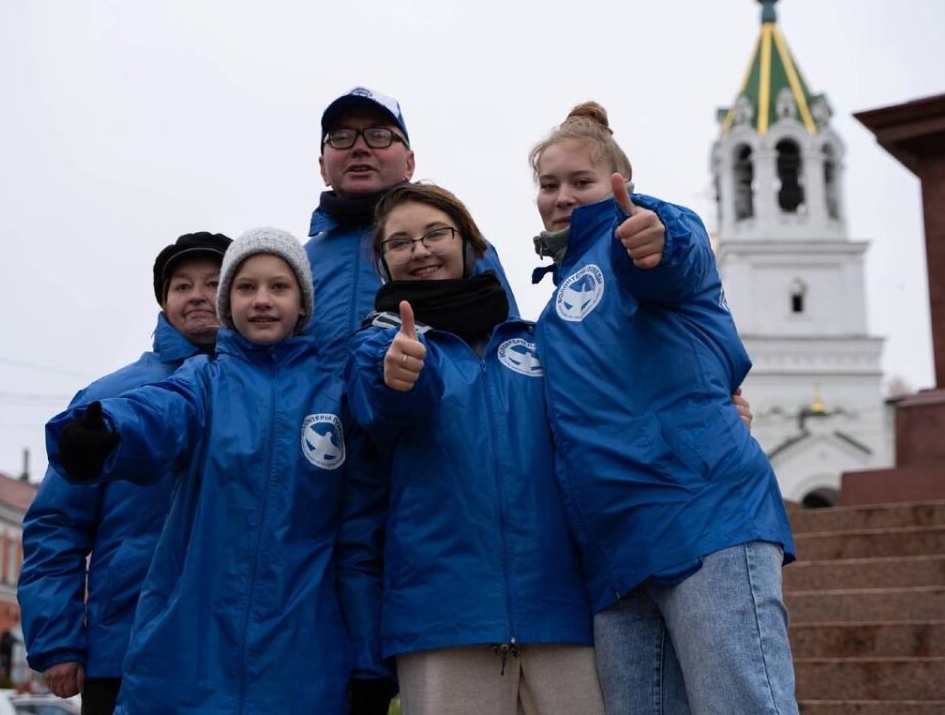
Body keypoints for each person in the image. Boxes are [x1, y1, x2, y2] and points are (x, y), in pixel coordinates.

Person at [43, 228, 384, 715]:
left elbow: (359, 541)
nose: (262, 300)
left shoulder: (337, 397)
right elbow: (159, 412)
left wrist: (369, 665)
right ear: (229, 305)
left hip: (301, 668)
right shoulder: (203, 383)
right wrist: (107, 431)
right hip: (185, 662)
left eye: (279, 287)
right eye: (246, 288)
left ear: (303, 305)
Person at [529, 103, 797, 714]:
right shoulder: (554, 306)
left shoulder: (642, 232)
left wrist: (656, 239)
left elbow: (669, 257)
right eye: (549, 184)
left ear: (619, 182)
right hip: (615, 553)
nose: (562, 197)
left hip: (702, 518)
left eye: (581, 181)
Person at [344, 183, 604, 715]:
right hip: (444, 621)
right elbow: (386, 404)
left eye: (435, 234)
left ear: (469, 243)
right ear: (384, 263)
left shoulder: (537, 340)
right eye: (399, 243)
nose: (419, 250)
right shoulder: (378, 346)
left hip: (563, 611)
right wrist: (402, 376)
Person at [19, 231, 231, 715]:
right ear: (163, 301)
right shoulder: (108, 398)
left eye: (214, 283)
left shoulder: (272, 391)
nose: (197, 295)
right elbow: (56, 524)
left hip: (237, 651)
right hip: (126, 647)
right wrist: (58, 640)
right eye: (182, 286)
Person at [307, 86, 516, 376]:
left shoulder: (461, 246)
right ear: (323, 168)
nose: (359, 148)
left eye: (379, 135)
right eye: (341, 138)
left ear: (409, 163)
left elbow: (509, 353)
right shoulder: (298, 265)